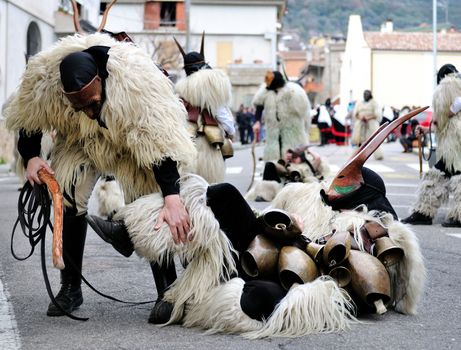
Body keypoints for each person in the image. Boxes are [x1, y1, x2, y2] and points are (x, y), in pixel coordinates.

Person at [85, 111, 425, 336]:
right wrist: (289, 223)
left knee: (258, 296)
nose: (333, 188)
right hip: (269, 248)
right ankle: (130, 235)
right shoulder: (312, 197)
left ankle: (183, 297)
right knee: (220, 194)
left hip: (294, 274)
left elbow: (374, 285)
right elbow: (271, 219)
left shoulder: (379, 232)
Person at [4, 32, 196, 323]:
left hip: (133, 141)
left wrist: (170, 196)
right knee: (66, 193)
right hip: (81, 139)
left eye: (92, 104)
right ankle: (70, 287)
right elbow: (28, 115)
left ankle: (168, 290)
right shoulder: (44, 79)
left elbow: (160, 143)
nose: (89, 112)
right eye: (80, 107)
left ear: (102, 80)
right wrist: (30, 155)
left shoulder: (137, 84)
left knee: (152, 202)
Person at [401, 64, 461, 227]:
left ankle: (424, 213)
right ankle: (425, 213)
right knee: (446, 174)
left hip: (453, 143)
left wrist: (437, 120)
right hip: (454, 141)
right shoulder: (458, 87)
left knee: (441, 174)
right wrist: (428, 129)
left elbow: (444, 115)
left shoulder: (446, 87)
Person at [174, 33, 235, 184]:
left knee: (189, 187)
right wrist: (231, 131)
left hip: (187, 143)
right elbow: (222, 114)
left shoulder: (182, 89)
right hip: (210, 145)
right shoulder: (213, 85)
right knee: (210, 187)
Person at [252, 71, 311, 161]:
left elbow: (303, 110)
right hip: (273, 129)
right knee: (273, 155)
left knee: (291, 153)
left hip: (291, 128)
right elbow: (259, 106)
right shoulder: (265, 91)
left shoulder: (292, 91)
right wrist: (257, 122)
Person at [351, 90, 383, 160]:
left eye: (367, 94)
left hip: (371, 124)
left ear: (370, 95)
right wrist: (361, 117)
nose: (365, 96)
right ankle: (356, 156)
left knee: (374, 140)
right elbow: (355, 114)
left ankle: (378, 155)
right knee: (358, 141)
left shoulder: (374, 103)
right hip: (360, 124)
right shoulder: (359, 103)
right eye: (364, 94)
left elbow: (377, 114)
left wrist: (368, 118)